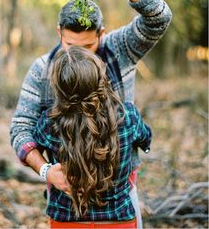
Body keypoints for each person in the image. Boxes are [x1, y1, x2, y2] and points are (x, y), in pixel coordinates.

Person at [10, 0, 172, 227]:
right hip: (66, 198)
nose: (79, 55)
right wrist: (47, 170)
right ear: (58, 31)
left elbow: (159, 18)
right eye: (70, 46)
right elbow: (20, 128)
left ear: (102, 33)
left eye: (87, 47)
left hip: (121, 192)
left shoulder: (121, 48)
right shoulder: (42, 69)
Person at [33, 46, 152, 228]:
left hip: (67, 220)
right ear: (100, 79)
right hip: (118, 220)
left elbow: (33, 147)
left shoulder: (49, 123)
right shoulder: (127, 116)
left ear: (59, 88)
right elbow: (146, 138)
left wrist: (46, 170)